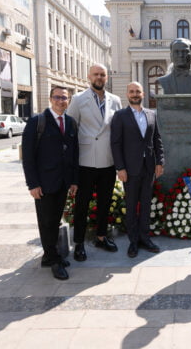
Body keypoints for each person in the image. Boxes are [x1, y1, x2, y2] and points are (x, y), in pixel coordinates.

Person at [66, 64, 123, 261]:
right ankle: (79, 243)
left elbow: (118, 131)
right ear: (89, 77)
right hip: (86, 160)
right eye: (96, 74)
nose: (99, 77)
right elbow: (70, 130)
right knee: (82, 205)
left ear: (107, 77)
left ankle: (101, 237)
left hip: (107, 160)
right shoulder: (78, 99)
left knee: (105, 203)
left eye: (102, 74)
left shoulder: (115, 100)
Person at [21, 86, 78, 280]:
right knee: (46, 223)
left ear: (69, 101)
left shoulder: (70, 122)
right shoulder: (37, 122)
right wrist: (32, 184)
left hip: (63, 182)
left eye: (65, 98)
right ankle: (54, 261)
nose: (61, 101)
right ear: (50, 99)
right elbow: (28, 156)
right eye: (57, 97)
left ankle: (48, 256)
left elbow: (74, 153)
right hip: (43, 183)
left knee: (55, 221)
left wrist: (74, 180)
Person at [110, 82, 165, 258]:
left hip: (148, 168)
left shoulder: (151, 114)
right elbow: (115, 144)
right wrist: (120, 168)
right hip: (130, 169)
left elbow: (157, 140)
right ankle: (133, 241)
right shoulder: (120, 116)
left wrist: (160, 162)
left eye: (138, 91)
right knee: (132, 206)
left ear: (143, 94)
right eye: (132, 91)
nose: (135, 94)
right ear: (127, 94)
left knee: (146, 205)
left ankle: (145, 238)